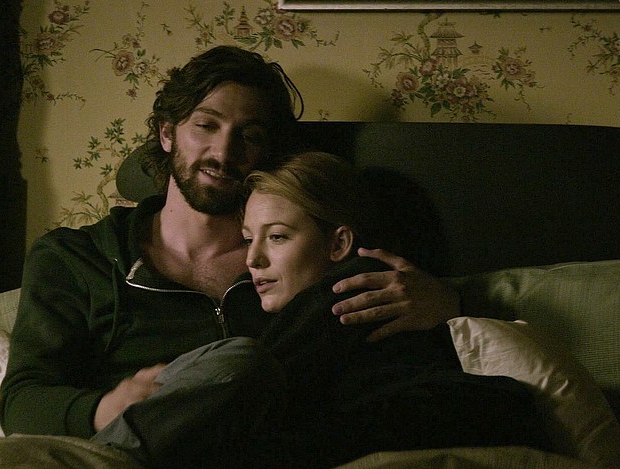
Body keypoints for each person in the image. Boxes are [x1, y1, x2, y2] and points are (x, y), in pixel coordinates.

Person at [0, 45, 461, 457]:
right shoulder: (76, 258)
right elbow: (22, 401)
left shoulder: (302, 260)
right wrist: (105, 408)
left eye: (250, 135)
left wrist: (447, 303)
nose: (223, 151)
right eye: (206, 125)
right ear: (167, 134)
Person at [88, 151, 548, 469]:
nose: (253, 260)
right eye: (248, 239)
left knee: (239, 364)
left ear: (338, 243)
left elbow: (263, 377)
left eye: (277, 237)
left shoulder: (358, 284)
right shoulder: (302, 311)